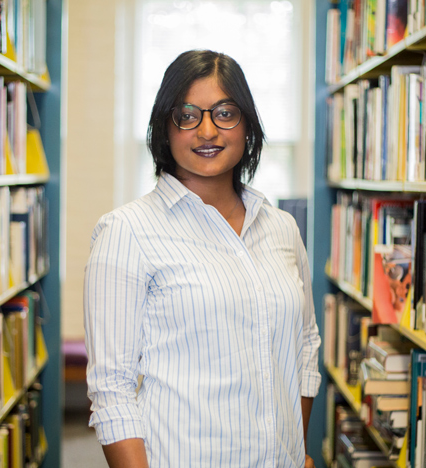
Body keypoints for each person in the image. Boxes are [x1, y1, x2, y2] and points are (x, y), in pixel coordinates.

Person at [83, 50, 321, 468]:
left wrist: (296, 449)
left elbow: (303, 349)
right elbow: (112, 390)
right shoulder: (126, 231)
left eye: (225, 113)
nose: (207, 131)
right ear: (165, 127)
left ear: (247, 125)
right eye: (187, 115)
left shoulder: (282, 227)